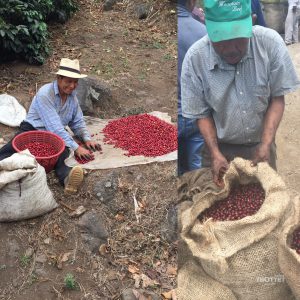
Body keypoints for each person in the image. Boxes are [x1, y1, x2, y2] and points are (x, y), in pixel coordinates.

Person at [181, 0, 300, 186]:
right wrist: (215, 153)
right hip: (218, 146)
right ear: (207, 28)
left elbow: (277, 97)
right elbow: (201, 113)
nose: (230, 49)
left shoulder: (270, 44)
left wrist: (266, 144)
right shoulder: (195, 58)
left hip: (260, 143)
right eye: (220, 40)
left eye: (238, 39)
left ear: (252, 22)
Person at [0, 58, 101, 194]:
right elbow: (55, 128)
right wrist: (76, 148)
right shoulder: (45, 94)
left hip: (53, 136)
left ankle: (67, 180)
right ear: (59, 78)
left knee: (63, 154)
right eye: (69, 81)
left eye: (75, 82)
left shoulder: (72, 97)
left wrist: (86, 139)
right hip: (33, 129)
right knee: (12, 148)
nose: (72, 86)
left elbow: (77, 121)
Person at [177, 0, 207, 175]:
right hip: (197, 114)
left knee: (177, 168)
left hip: (175, 116)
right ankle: (198, 198)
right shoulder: (202, 32)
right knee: (196, 169)